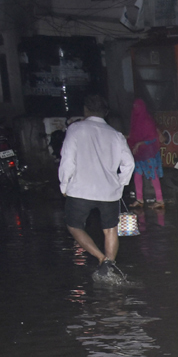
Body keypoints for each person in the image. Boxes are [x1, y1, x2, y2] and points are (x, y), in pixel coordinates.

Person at [59, 93, 135, 272]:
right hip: (109, 192)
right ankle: (110, 266)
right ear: (105, 112)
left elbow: (67, 160)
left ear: (85, 110)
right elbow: (129, 163)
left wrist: (64, 184)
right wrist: (120, 183)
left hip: (80, 190)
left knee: (74, 226)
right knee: (110, 229)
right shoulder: (116, 135)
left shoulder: (76, 129)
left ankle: (101, 258)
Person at [127, 98, 164, 209]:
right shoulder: (135, 121)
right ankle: (139, 199)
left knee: (153, 175)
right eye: (134, 107)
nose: (136, 109)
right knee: (137, 175)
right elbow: (133, 136)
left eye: (138, 107)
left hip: (148, 153)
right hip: (139, 154)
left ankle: (160, 200)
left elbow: (152, 137)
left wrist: (139, 144)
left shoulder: (147, 121)